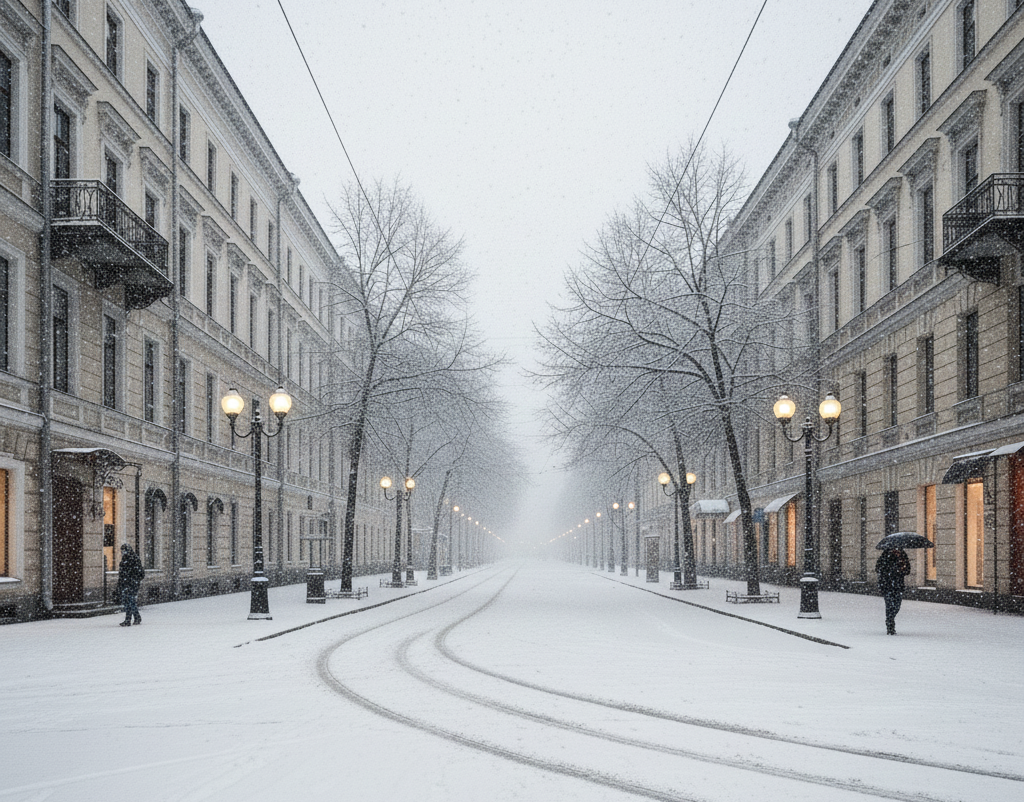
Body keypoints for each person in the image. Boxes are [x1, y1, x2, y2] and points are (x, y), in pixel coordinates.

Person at [875, 547, 911, 635]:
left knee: (897, 606)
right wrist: (892, 569)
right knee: (890, 605)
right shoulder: (885, 556)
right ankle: (890, 626)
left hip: (898, 585)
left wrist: (902, 566)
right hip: (887, 585)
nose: (896, 550)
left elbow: (907, 570)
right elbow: (878, 569)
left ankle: (890, 619)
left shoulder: (902, 556)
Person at [116, 544, 146, 627]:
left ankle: (128, 620)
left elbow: (141, 574)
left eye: (124, 550)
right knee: (129, 602)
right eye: (122, 550)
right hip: (126, 584)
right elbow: (122, 574)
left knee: (129, 602)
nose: (122, 552)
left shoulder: (134, 559)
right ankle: (137, 617)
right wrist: (120, 584)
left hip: (132, 584)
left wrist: (133, 580)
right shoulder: (125, 559)